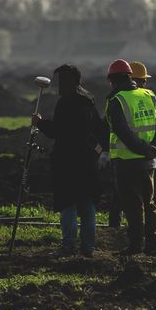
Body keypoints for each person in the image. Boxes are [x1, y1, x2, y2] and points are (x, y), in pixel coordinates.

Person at [31, 64, 106, 257]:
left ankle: (68, 246)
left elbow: (58, 131)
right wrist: (99, 151)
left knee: (68, 204)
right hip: (88, 162)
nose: (58, 86)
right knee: (87, 204)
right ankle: (88, 248)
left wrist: (40, 123)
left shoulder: (66, 103)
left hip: (68, 162)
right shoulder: (89, 100)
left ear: (72, 81)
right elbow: (98, 128)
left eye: (62, 81)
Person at [105, 58, 156, 256]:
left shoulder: (117, 101)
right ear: (130, 76)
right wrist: (154, 147)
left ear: (112, 80)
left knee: (133, 206)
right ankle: (153, 244)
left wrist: (144, 149)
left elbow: (123, 133)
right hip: (149, 162)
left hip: (126, 162)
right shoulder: (149, 95)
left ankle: (135, 245)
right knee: (149, 203)